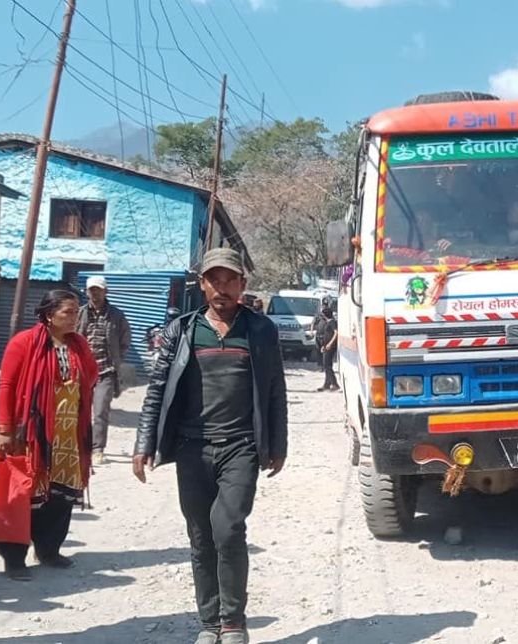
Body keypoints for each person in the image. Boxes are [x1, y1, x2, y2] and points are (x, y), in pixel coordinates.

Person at [133, 248, 287, 644]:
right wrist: (143, 442)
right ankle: (209, 623)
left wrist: (278, 443)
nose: (222, 287)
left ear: (243, 285)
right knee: (200, 536)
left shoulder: (260, 329)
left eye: (230, 279)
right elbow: (157, 391)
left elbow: (274, 390)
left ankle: (233, 622)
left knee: (229, 529)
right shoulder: (182, 331)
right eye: (214, 279)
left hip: (241, 447)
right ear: (201, 284)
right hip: (192, 448)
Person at [0, 290, 98, 580]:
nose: (74, 317)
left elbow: (90, 377)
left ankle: (49, 549)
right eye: (68, 312)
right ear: (49, 314)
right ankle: (14, 558)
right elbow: (7, 385)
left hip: (67, 435)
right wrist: (4, 428)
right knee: (24, 496)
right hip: (29, 435)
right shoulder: (24, 343)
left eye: (77, 312)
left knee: (61, 494)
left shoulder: (78, 345)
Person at [77, 276, 132, 466]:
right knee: (79, 410)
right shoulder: (80, 313)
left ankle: (97, 449)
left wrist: (118, 358)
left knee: (100, 411)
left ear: (105, 291)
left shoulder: (116, 315)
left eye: (98, 290)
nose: (95, 293)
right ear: (86, 292)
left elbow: (126, 339)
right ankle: (80, 446)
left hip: (106, 372)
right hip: (82, 372)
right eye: (91, 290)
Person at [315, 300, 339, 393]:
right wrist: (323, 345)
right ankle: (327, 384)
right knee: (326, 365)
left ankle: (335, 383)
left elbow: (336, 333)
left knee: (327, 365)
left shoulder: (332, 322)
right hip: (326, 346)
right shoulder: (327, 322)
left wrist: (330, 344)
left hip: (330, 347)